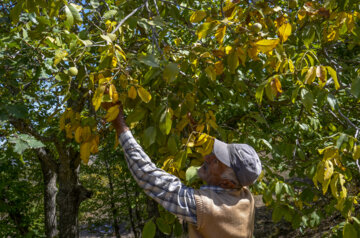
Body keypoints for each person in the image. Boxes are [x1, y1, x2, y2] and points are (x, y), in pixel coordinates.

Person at [109, 104, 262, 238]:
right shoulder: (244, 193)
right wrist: (193, 129)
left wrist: (120, 126)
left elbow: (147, 175)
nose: (208, 157)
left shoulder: (207, 208)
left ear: (226, 183)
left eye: (216, 160)